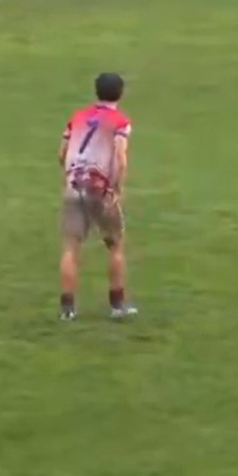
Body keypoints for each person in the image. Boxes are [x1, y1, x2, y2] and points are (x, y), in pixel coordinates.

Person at [58, 72, 136, 322]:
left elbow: (62, 154)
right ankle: (117, 305)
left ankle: (68, 309)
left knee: (71, 248)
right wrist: (117, 188)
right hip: (101, 189)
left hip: (74, 186)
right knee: (115, 245)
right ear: (121, 93)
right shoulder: (120, 122)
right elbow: (120, 157)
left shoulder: (78, 118)